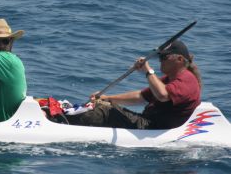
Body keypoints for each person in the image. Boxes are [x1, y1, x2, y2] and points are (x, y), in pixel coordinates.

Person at [66, 40, 201, 129]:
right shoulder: (167, 79)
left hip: (154, 128)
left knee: (106, 112)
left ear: (179, 59)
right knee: (103, 105)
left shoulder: (187, 80)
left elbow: (163, 95)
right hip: (147, 123)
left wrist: (148, 71)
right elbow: (140, 96)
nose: (160, 61)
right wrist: (106, 98)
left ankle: (62, 122)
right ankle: (66, 114)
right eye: (159, 58)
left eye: (164, 58)